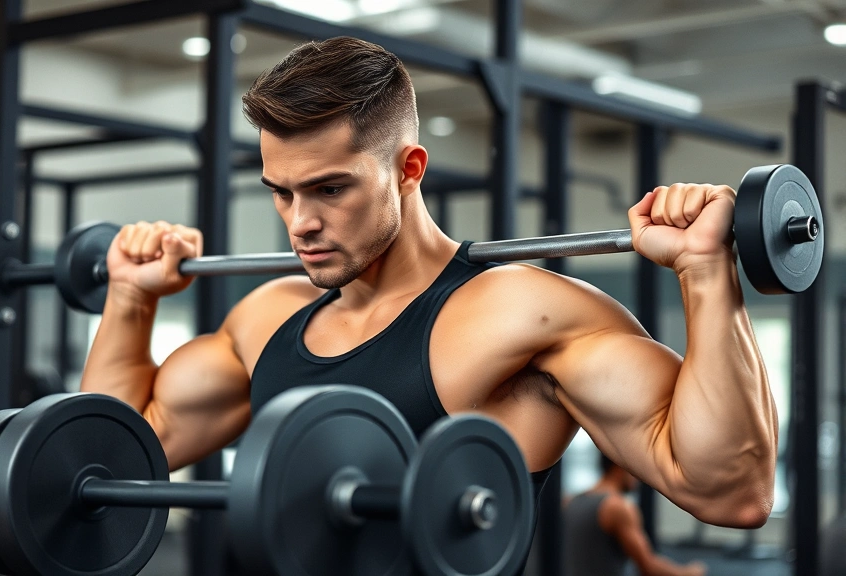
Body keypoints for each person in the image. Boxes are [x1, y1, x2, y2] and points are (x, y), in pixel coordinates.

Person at [80, 36, 777, 564]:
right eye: (281, 192)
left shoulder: (519, 314)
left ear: (408, 169)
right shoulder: (269, 318)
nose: (299, 223)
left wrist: (705, 272)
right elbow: (104, 463)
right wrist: (130, 299)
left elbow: (730, 492)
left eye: (329, 188)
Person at [563, 455, 707, 576]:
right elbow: (648, 567)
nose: (638, 477)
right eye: (635, 468)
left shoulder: (571, 502)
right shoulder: (617, 507)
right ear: (620, 465)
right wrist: (688, 572)